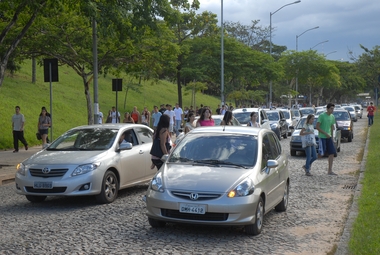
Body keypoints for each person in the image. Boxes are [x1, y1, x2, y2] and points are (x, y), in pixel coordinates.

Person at [316, 103, 337, 175]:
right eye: (331, 108)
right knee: (321, 154)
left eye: (333, 109)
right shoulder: (322, 116)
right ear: (327, 109)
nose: (332, 110)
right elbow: (317, 127)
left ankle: (330, 170)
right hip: (322, 137)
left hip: (329, 137)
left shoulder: (332, 117)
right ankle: (308, 164)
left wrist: (332, 137)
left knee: (332, 153)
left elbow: (331, 127)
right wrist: (325, 133)